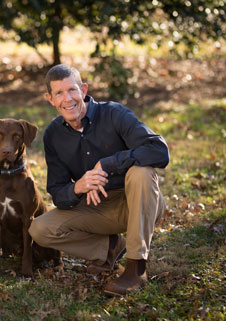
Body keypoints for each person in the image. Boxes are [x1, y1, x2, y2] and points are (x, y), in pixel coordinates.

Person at [28, 64, 169, 296]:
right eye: (59, 93)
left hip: (135, 200)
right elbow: (58, 192)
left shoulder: (114, 114)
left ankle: (136, 268)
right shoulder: (53, 135)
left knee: (141, 172)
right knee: (40, 228)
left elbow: (159, 150)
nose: (68, 99)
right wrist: (79, 186)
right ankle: (111, 247)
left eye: (72, 90)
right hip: (95, 207)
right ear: (50, 99)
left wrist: (108, 163)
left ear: (83, 90)